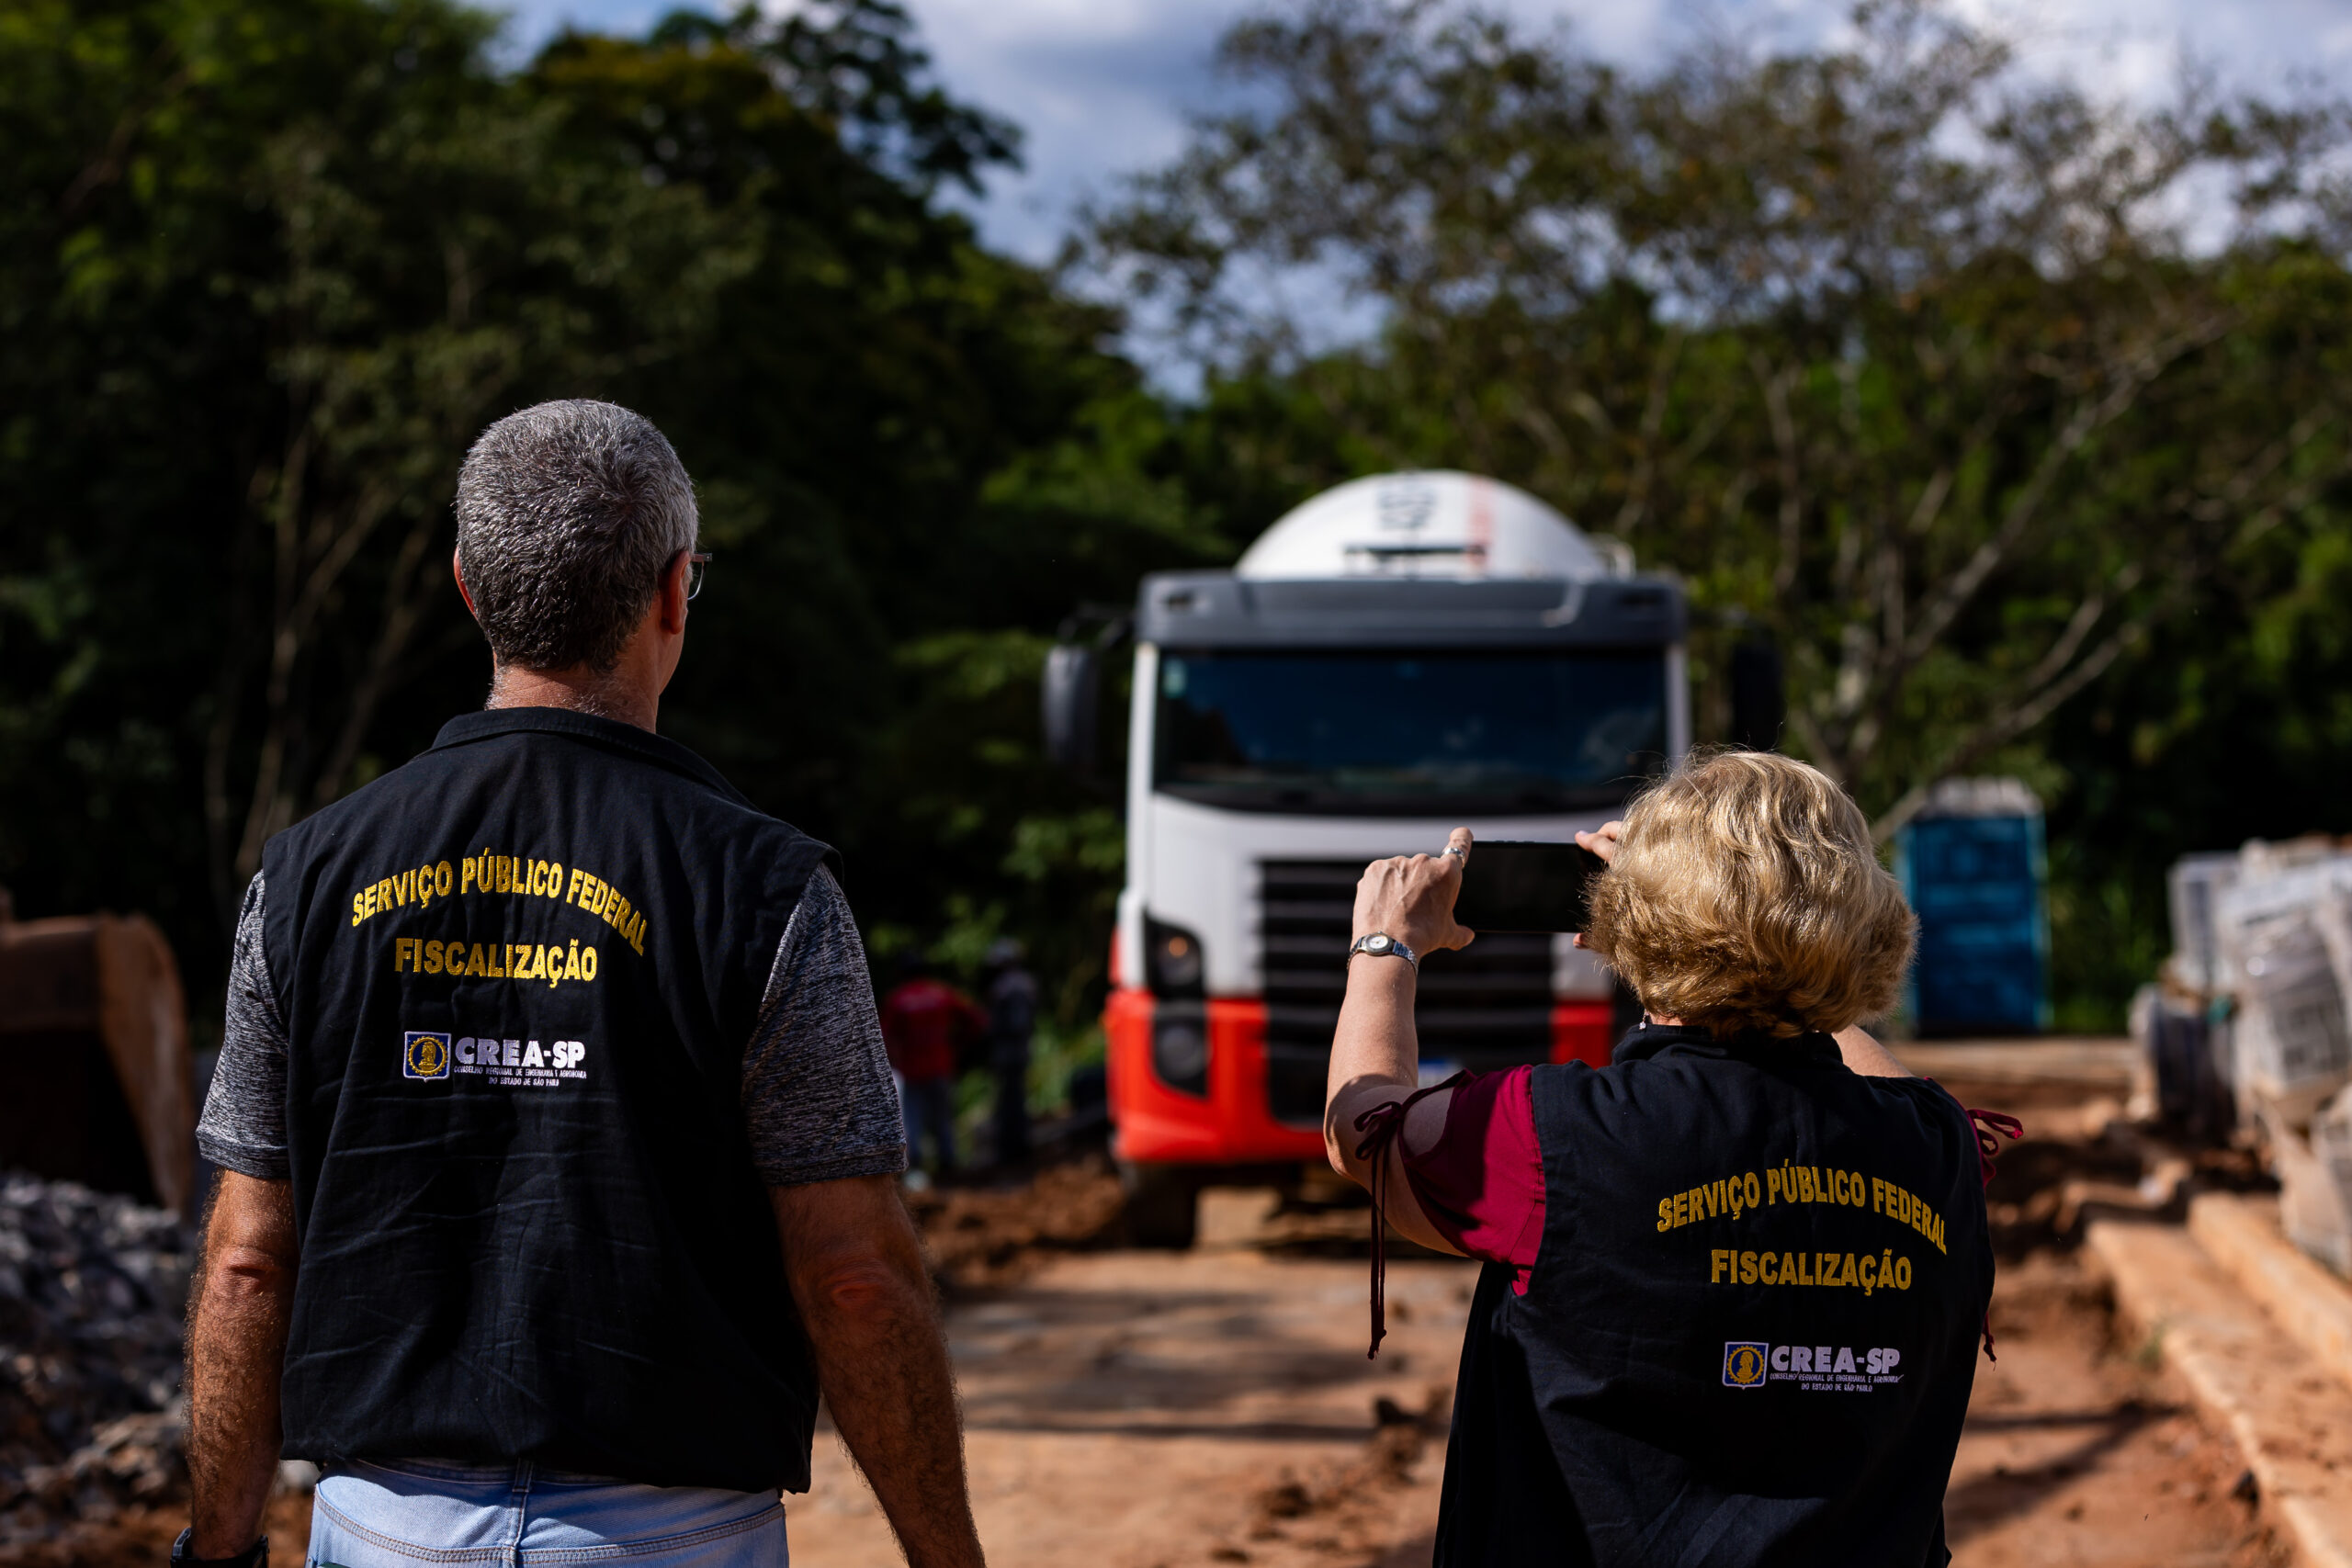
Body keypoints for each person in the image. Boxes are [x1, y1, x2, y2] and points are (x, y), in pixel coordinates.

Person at [182, 400, 985, 1568]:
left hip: (379, 1529)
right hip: (674, 1535)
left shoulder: (304, 879)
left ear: (468, 586)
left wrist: (216, 1547)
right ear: (672, 592)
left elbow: (250, 1259)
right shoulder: (763, 890)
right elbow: (854, 1275)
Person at [1325, 750, 2008, 1566]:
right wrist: (1781, 965)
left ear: (1645, 919)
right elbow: (1905, 1090)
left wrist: (1384, 946)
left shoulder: (1554, 1136)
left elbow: (1364, 1126)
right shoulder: (1933, 1149)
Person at [879, 953, 986, 1181]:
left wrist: (894, 1060)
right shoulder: (942, 994)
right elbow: (976, 1020)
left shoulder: (899, 999)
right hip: (941, 1067)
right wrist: (959, 1047)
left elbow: (884, 1036)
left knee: (913, 1120)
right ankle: (948, 1167)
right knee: (943, 1119)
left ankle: (916, 1168)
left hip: (913, 1070)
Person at [981, 937, 1038, 1166]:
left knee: (1010, 1100)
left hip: (1009, 1053)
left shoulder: (1008, 987)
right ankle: (1017, 1147)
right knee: (1015, 1098)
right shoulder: (1025, 983)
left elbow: (1016, 1023)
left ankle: (1012, 1150)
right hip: (1019, 1051)